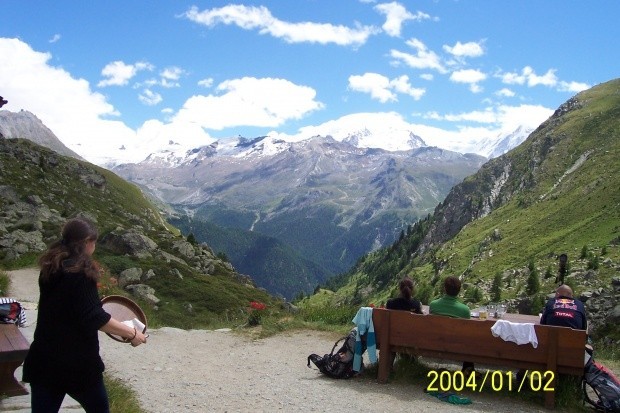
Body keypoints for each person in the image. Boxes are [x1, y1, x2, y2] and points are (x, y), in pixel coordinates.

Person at [22, 218, 147, 413]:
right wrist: (132, 333)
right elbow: (94, 316)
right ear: (87, 242)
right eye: (94, 242)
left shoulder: (51, 266)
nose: (94, 246)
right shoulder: (81, 273)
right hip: (77, 365)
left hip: (44, 359)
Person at [429, 276, 475, 374]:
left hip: (435, 342)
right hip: (457, 345)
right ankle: (468, 370)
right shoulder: (465, 310)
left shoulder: (433, 305)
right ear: (459, 291)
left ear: (445, 289)